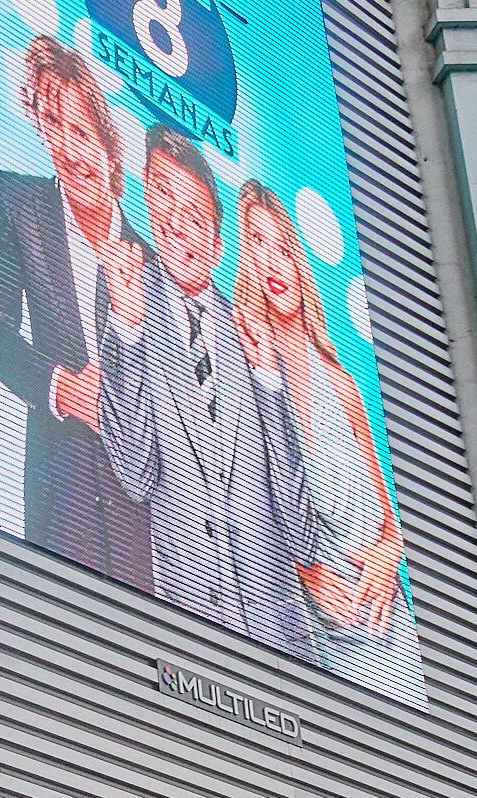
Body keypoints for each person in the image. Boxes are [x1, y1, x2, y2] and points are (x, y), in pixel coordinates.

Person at [96, 126, 318, 662]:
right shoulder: (127, 309)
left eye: (194, 214)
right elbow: (135, 476)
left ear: (218, 245)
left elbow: (301, 529)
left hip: (287, 653)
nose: (177, 225)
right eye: (162, 201)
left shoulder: (251, 329)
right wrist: (126, 329)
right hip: (187, 651)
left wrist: (269, 379)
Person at [0, 36, 152, 592]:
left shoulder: (154, 257)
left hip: (149, 508)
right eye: (52, 126)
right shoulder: (19, 204)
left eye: (81, 131)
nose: (70, 150)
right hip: (61, 483)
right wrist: (58, 387)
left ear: (109, 145)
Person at [232, 180, 417, 692]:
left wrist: (391, 552)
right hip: (310, 631)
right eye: (258, 243)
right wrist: (304, 570)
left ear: (300, 261)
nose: (274, 261)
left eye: (283, 246)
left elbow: (391, 518)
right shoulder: (248, 378)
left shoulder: (341, 383)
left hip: (386, 618)